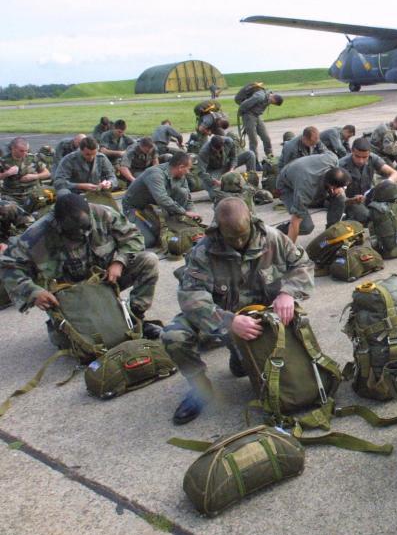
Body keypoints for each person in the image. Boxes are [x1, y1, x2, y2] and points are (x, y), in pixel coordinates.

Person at [162, 197, 313, 424]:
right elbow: (191, 297)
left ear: (251, 221)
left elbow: (303, 264)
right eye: (233, 238)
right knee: (173, 335)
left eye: (244, 234)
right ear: (218, 229)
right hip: (221, 318)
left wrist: (287, 293)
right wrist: (228, 322)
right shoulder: (204, 251)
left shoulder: (272, 238)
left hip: (261, 319)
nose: (240, 241)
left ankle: (241, 358)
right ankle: (200, 390)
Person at [0, 193, 161, 340]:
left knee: (149, 260)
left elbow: (133, 236)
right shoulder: (37, 234)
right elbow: (8, 264)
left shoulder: (103, 214)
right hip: (70, 292)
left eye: (85, 228)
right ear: (58, 222)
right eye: (74, 232)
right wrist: (33, 292)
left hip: (107, 278)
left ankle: (135, 318)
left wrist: (119, 261)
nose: (82, 235)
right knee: (70, 340)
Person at [121, 153, 201, 248]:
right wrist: (184, 212)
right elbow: (162, 199)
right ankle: (118, 232)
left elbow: (187, 197)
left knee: (182, 192)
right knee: (148, 241)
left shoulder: (180, 176)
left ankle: (174, 222)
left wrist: (192, 212)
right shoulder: (155, 174)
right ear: (181, 167)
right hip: (136, 208)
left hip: (155, 207)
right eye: (188, 168)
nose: (188, 172)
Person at [276, 153, 351, 241]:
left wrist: (341, 190)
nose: (343, 189)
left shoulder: (332, 159)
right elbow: (295, 222)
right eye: (341, 187)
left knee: (340, 197)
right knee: (306, 226)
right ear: (332, 187)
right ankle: (277, 232)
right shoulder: (305, 190)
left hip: (303, 172)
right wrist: (289, 251)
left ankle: (331, 233)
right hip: (287, 186)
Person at [338, 137, 397, 223]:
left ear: (369, 153)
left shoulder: (372, 158)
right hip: (350, 202)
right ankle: (349, 219)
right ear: (352, 151)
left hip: (368, 196)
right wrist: (351, 200)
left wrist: (386, 182)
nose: (361, 160)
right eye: (357, 156)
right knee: (367, 217)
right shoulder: (342, 165)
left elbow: (396, 174)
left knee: (390, 210)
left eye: (364, 157)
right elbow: (338, 198)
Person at [197, 135, 258, 201]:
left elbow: (234, 157)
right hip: (214, 171)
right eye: (215, 150)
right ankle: (227, 194)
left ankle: (252, 185)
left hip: (226, 164)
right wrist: (215, 181)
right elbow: (201, 172)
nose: (218, 152)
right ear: (211, 146)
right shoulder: (204, 152)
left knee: (250, 154)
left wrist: (231, 169)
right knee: (213, 193)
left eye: (220, 149)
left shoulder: (229, 142)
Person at [53, 136, 117, 194]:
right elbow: (59, 182)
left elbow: (112, 177)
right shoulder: (69, 159)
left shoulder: (101, 158)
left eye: (94, 154)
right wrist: (79, 186)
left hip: (96, 192)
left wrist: (109, 183)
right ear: (80, 150)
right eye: (88, 154)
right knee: (63, 193)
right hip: (74, 193)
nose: (91, 157)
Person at [0, 138, 51, 209]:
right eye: (21, 151)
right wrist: (7, 173)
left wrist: (34, 176)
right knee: (7, 209)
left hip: (33, 193)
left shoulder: (32, 158)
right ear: (13, 148)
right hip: (12, 196)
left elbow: (47, 173)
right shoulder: (3, 160)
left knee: (50, 200)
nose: (25, 153)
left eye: (26, 150)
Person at [238, 88, 283, 160]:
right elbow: (245, 104)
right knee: (253, 140)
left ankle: (270, 157)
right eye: (274, 103)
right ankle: (254, 161)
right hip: (248, 116)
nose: (272, 104)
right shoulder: (259, 97)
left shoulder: (269, 97)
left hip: (257, 115)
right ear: (274, 99)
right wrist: (242, 113)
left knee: (266, 138)